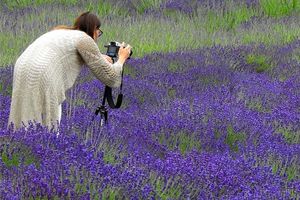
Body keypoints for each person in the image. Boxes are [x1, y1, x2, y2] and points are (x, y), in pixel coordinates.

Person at [8, 11, 132, 131]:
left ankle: (19, 144)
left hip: (21, 66)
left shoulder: (60, 31)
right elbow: (111, 78)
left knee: (23, 116)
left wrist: (99, 57)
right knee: (50, 124)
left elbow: (63, 52)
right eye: (98, 33)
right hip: (44, 72)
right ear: (94, 29)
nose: (98, 36)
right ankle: (47, 144)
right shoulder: (84, 39)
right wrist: (122, 58)